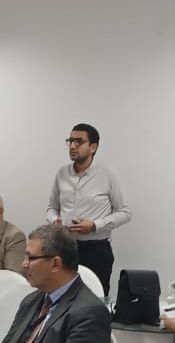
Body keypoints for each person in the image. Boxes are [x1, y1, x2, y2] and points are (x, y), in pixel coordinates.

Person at [45, 122, 132, 295]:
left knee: (95, 298)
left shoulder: (107, 174)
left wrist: (94, 225)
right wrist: (54, 220)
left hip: (96, 249)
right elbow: (52, 208)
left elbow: (125, 212)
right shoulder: (62, 173)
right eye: (70, 141)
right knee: (61, 296)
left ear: (93, 147)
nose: (72, 146)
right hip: (65, 246)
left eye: (79, 141)